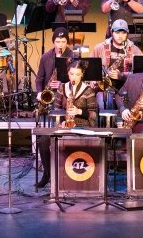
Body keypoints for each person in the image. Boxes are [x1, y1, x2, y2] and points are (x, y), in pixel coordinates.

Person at [35, 60, 99, 189]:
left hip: (83, 126)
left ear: (82, 75)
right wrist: (61, 121)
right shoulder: (62, 87)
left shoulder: (89, 90)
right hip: (65, 125)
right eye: (71, 74)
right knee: (43, 141)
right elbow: (56, 110)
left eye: (77, 74)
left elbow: (94, 116)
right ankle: (48, 174)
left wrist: (79, 111)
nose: (74, 77)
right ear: (68, 74)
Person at [91, 19, 143, 111]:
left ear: (127, 33)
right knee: (102, 104)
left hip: (126, 88)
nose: (120, 36)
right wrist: (93, 79)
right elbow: (90, 67)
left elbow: (140, 75)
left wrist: (121, 75)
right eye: (117, 32)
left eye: (123, 33)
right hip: (105, 88)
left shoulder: (135, 50)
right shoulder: (100, 47)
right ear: (112, 32)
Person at [34, 27, 75, 94]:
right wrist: (39, 92)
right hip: (49, 93)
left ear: (67, 42)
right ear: (53, 42)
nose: (60, 45)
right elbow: (39, 79)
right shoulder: (45, 57)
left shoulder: (73, 57)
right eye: (57, 42)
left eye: (63, 42)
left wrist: (63, 85)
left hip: (66, 93)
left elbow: (77, 81)